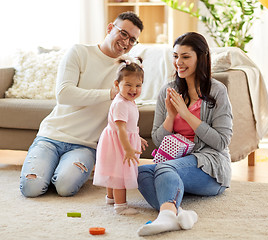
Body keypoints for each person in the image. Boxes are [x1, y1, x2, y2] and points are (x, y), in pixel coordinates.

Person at [19, 12, 144, 198]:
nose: (126, 42)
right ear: (110, 28)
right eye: (123, 34)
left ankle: (58, 172)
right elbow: (64, 94)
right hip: (51, 136)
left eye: (132, 40)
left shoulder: (127, 68)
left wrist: (135, 135)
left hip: (85, 146)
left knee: (64, 187)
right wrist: (108, 93)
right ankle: (46, 170)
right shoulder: (79, 52)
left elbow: (128, 107)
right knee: (31, 188)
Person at [137, 32, 233, 236]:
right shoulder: (168, 91)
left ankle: (165, 216)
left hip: (209, 164)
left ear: (201, 57)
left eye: (185, 57)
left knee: (162, 169)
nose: (178, 62)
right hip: (175, 164)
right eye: (175, 56)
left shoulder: (217, 91)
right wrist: (171, 117)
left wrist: (186, 114)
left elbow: (221, 141)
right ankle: (178, 213)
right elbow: (157, 140)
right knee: (142, 173)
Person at [93, 58, 148, 215]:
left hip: (116, 140)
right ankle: (120, 206)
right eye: (128, 85)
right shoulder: (121, 104)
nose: (133, 89)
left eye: (138, 85)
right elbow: (121, 130)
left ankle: (110, 198)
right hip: (118, 142)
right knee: (118, 174)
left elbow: (129, 126)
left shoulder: (128, 101)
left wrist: (137, 137)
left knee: (113, 170)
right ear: (117, 85)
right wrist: (128, 149)